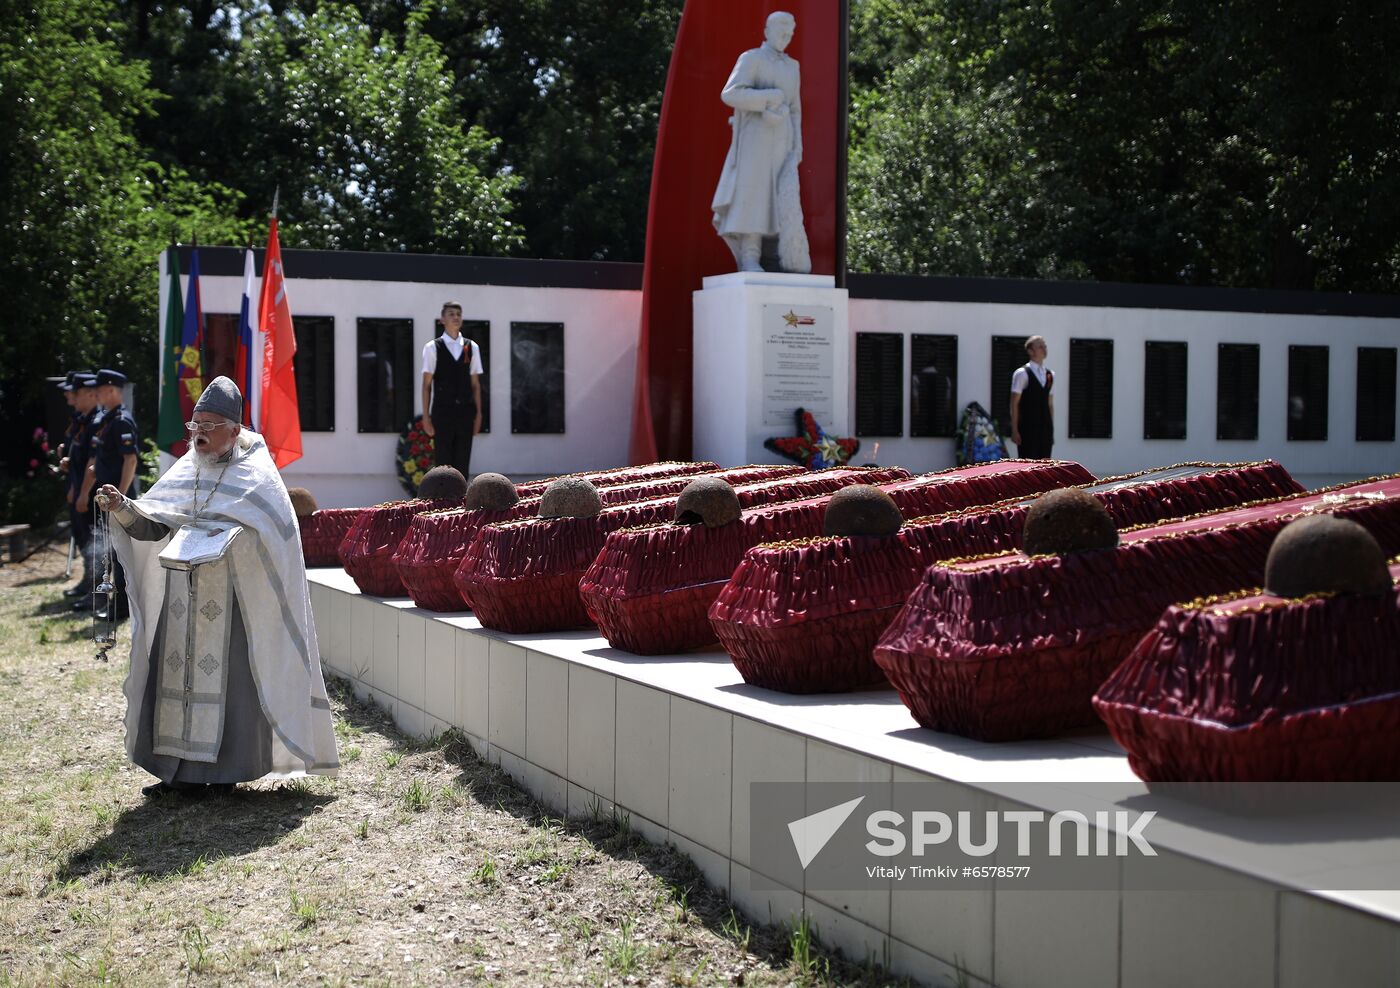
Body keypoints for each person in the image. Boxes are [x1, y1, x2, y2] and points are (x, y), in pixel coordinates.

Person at [94, 376, 339, 797]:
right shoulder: (185, 470)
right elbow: (154, 525)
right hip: (181, 599)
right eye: (194, 425)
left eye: (209, 424)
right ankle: (175, 774)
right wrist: (123, 507)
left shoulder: (257, 477)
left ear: (234, 430)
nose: (199, 433)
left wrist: (230, 541)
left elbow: (274, 541)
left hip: (232, 600)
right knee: (173, 682)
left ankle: (224, 776)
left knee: (228, 686)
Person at [711, 11, 810, 273]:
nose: (786, 39)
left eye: (790, 35)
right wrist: (767, 97)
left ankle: (775, 257)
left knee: (778, 199)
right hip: (755, 139)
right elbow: (730, 94)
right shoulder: (751, 59)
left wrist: (797, 145)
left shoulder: (793, 66)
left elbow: (796, 108)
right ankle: (750, 258)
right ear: (767, 31)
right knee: (754, 196)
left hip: (783, 140)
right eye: (782, 33)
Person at [74, 369, 138, 615]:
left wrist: (120, 499)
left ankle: (121, 606)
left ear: (111, 390)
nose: (96, 394)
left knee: (120, 554)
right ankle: (111, 601)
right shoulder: (108, 420)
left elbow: (130, 461)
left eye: (99, 390)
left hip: (116, 501)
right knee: (109, 552)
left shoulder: (121, 420)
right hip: (106, 500)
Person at [420, 301, 483, 476]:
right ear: (442, 319)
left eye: (458, 314)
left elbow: (475, 385)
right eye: (451, 314)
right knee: (443, 465)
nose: (455, 317)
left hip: (465, 413)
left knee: (463, 464)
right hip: (443, 412)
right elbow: (426, 385)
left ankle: (461, 502)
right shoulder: (433, 348)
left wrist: (478, 414)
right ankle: (443, 503)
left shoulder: (471, 347)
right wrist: (426, 416)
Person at [61, 373, 103, 598]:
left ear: (90, 393)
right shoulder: (82, 419)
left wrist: (83, 492)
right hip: (78, 485)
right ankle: (88, 584)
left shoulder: (97, 421)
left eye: (75, 392)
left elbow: (93, 461)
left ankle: (96, 590)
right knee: (83, 539)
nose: (71, 396)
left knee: (94, 542)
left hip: (90, 491)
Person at [1009, 335, 1055, 459]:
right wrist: (1014, 430)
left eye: (1044, 345)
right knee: (1028, 465)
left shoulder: (1050, 375)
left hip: (1045, 428)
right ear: (1030, 351)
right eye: (1040, 346)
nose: (1044, 348)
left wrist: (1051, 430)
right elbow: (1014, 403)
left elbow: (1050, 404)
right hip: (1028, 427)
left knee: (1045, 467)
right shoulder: (1022, 374)